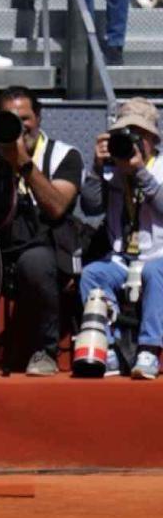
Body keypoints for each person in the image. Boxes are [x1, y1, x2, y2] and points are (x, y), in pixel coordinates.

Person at [0, 87, 83, 376]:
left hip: (42, 245)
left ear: (38, 118)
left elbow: (57, 207)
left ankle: (44, 351)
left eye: (25, 118)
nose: (20, 125)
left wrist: (22, 162)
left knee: (34, 261)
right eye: (10, 118)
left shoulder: (64, 155)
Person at [80, 97, 163, 379]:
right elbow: (90, 206)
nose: (130, 143)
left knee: (156, 272)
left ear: (153, 139)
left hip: (159, 257)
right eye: (124, 135)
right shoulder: (110, 169)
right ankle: (109, 346)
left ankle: (149, 350)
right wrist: (95, 167)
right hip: (121, 257)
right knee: (92, 274)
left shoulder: (160, 168)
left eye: (138, 136)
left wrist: (139, 172)